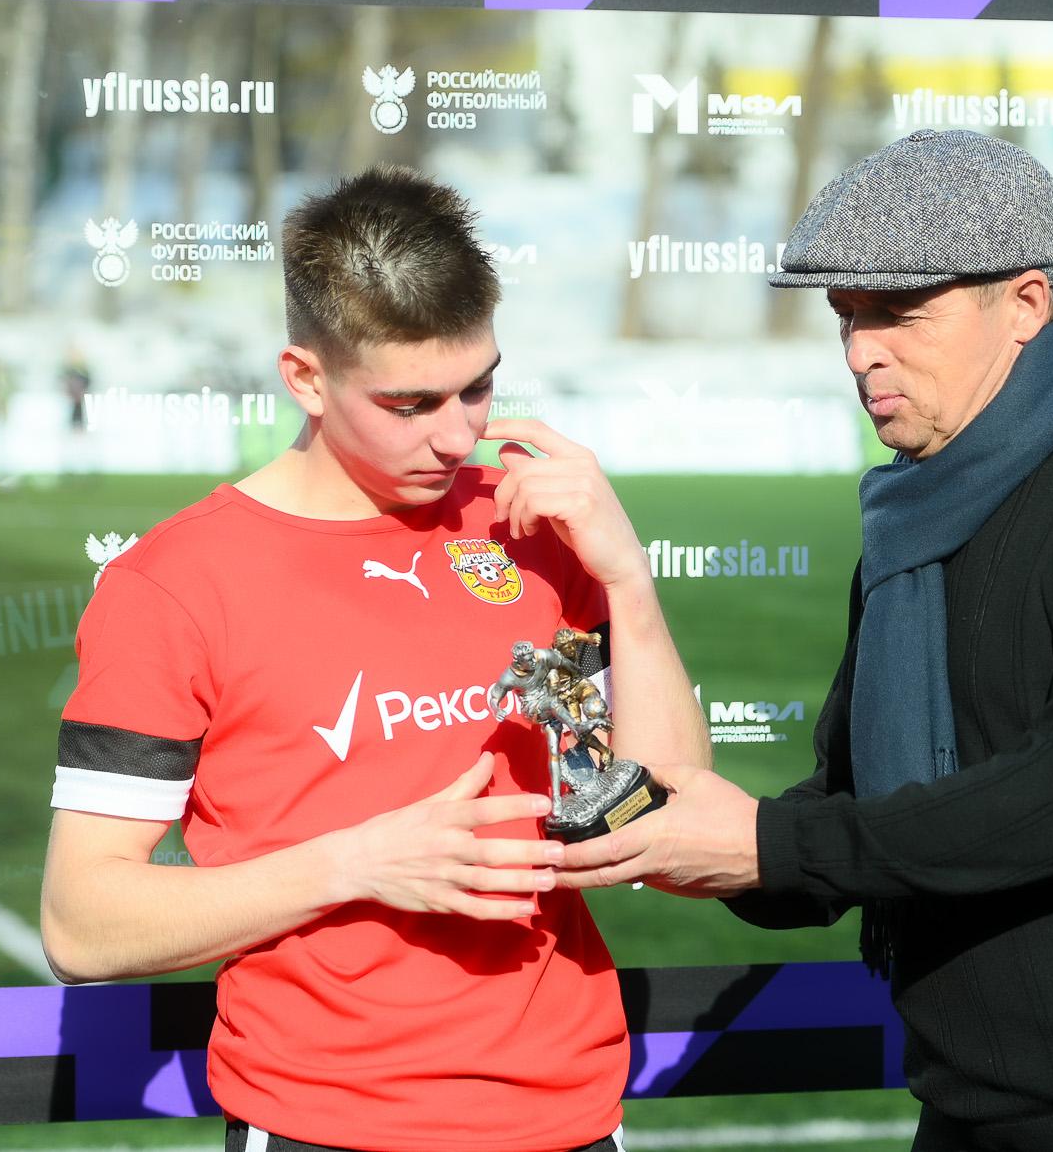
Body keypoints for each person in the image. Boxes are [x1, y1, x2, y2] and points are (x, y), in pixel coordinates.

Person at [557, 130, 1053, 1148]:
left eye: (898, 312)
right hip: (965, 1102)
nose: (860, 351)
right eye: (846, 316)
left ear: (1026, 304)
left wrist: (767, 843)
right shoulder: (909, 520)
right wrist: (693, 835)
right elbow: (858, 810)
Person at [40, 167, 709, 1152]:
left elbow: (665, 812)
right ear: (305, 377)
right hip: (325, 1122)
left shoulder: (528, 524)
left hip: (572, 1113)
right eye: (411, 402)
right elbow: (81, 922)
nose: (458, 433)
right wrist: (357, 863)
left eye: (478, 386)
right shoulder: (174, 583)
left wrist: (629, 586)